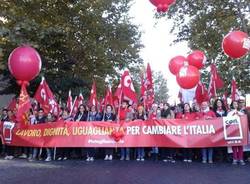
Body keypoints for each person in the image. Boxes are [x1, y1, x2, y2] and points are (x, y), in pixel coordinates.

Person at [228, 100, 245, 165]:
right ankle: (235, 158)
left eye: (236, 104)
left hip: (240, 130)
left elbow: (244, 119)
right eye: (234, 104)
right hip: (233, 130)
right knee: (234, 145)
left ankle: (241, 159)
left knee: (240, 145)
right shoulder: (229, 112)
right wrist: (233, 115)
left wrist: (239, 115)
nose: (235, 105)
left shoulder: (241, 112)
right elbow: (227, 120)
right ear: (232, 105)